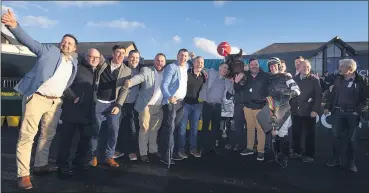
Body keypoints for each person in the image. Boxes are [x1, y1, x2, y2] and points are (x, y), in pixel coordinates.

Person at [2, 9, 79, 190]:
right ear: (61, 43)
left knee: (47, 135)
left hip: (55, 102)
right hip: (37, 98)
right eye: (64, 41)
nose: (66, 44)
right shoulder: (48, 51)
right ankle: (23, 175)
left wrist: (72, 96)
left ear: (75, 48)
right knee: (27, 136)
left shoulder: (73, 62)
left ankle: (40, 165)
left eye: (70, 43)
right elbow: (29, 42)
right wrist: (14, 26)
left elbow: (63, 83)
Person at [57, 48, 101, 177]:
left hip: (87, 112)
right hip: (72, 110)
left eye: (97, 58)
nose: (94, 59)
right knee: (66, 141)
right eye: (92, 57)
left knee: (84, 140)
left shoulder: (96, 71)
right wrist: (73, 96)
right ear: (86, 57)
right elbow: (64, 83)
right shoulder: (77, 67)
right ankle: (63, 166)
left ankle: (79, 163)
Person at [116, 53, 167, 163]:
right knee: (144, 128)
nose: (159, 63)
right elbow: (139, 77)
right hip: (146, 105)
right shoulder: (146, 70)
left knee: (154, 129)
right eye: (157, 60)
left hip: (158, 106)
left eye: (162, 61)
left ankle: (153, 150)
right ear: (154, 61)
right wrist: (131, 82)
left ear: (165, 62)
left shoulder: (167, 73)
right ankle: (143, 153)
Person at [89, 45, 131, 168]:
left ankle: (109, 156)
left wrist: (118, 105)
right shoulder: (102, 63)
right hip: (99, 103)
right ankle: (94, 156)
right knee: (96, 130)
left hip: (114, 104)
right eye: (118, 52)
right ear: (113, 53)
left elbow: (124, 90)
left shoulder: (126, 70)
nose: (121, 55)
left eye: (123, 53)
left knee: (113, 130)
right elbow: (92, 56)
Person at [324, 59, 369, 172]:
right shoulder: (338, 79)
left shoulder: (362, 80)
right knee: (336, 138)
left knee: (351, 140)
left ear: (350, 68)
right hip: (338, 113)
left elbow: (366, 98)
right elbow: (332, 94)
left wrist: (357, 111)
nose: (339, 68)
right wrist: (327, 107)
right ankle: (336, 159)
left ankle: (350, 163)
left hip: (353, 115)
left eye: (342, 66)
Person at [259, 57, 300, 167]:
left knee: (282, 134)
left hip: (283, 108)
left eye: (274, 65)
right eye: (271, 66)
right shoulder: (268, 79)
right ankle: (276, 157)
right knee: (274, 134)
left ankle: (284, 157)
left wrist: (284, 93)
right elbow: (263, 94)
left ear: (278, 66)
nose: (272, 68)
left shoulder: (286, 76)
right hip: (272, 108)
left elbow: (297, 90)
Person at [234, 58, 269, 161]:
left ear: (259, 65)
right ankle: (249, 148)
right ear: (249, 66)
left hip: (261, 108)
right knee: (250, 128)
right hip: (247, 107)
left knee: (260, 130)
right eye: (252, 64)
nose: (254, 66)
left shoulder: (265, 76)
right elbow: (237, 89)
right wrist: (236, 82)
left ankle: (260, 151)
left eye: (256, 64)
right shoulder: (245, 76)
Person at [160, 49, 190, 165]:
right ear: (177, 56)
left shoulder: (187, 66)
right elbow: (164, 85)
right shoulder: (171, 67)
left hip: (181, 103)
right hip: (172, 102)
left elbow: (193, 64)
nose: (183, 57)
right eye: (181, 55)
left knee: (174, 129)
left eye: (185, 56)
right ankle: (166, 157)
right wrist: (168, 97)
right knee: (169, 130)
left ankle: (171, 153)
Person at [289, 60, 322, 163]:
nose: (306, 68)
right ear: (299, 68)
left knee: (309, 134)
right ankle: (296, 151)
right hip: (296, 112)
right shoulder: (293, 79)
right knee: (296, 132)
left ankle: (309, 154)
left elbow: (318, 96)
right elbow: (289, 94)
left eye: (307, 67)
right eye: (304, 66)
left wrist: (315, 110)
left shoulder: (314, 80)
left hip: (309, 112)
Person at [198, 62, 233, 156]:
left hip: (218, 106)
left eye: (227, 69)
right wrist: (194, 58)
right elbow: (201, 67)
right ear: (219, 67)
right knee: (205, 127)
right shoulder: (212, 72)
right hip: (207, 104)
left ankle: (212, 146)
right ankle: (201, 147)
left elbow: (232, 91)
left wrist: (234, 82)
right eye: (224, 67)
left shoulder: (227, 81)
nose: (225, 70)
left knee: (215, 128)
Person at [176, 56, 206, 159]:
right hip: (185, 105)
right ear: (193, 63)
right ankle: (181, 150)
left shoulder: (204, 76)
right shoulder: (186, 74)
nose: (199, 64)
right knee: (182, 128)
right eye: (197, 62)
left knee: (194, 129)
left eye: (201, 62)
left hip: (197, 105)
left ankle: (193, 149)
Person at [114, 50, 141, 161]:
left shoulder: (141, 70)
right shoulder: (122, 69)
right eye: (132, 57)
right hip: (120, 104)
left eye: (137, 58)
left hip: (134, 104)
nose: (134, 60)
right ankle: (119, 150)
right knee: (119, 128)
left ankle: (132, 151)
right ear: (128, 58)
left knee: (133, 129)